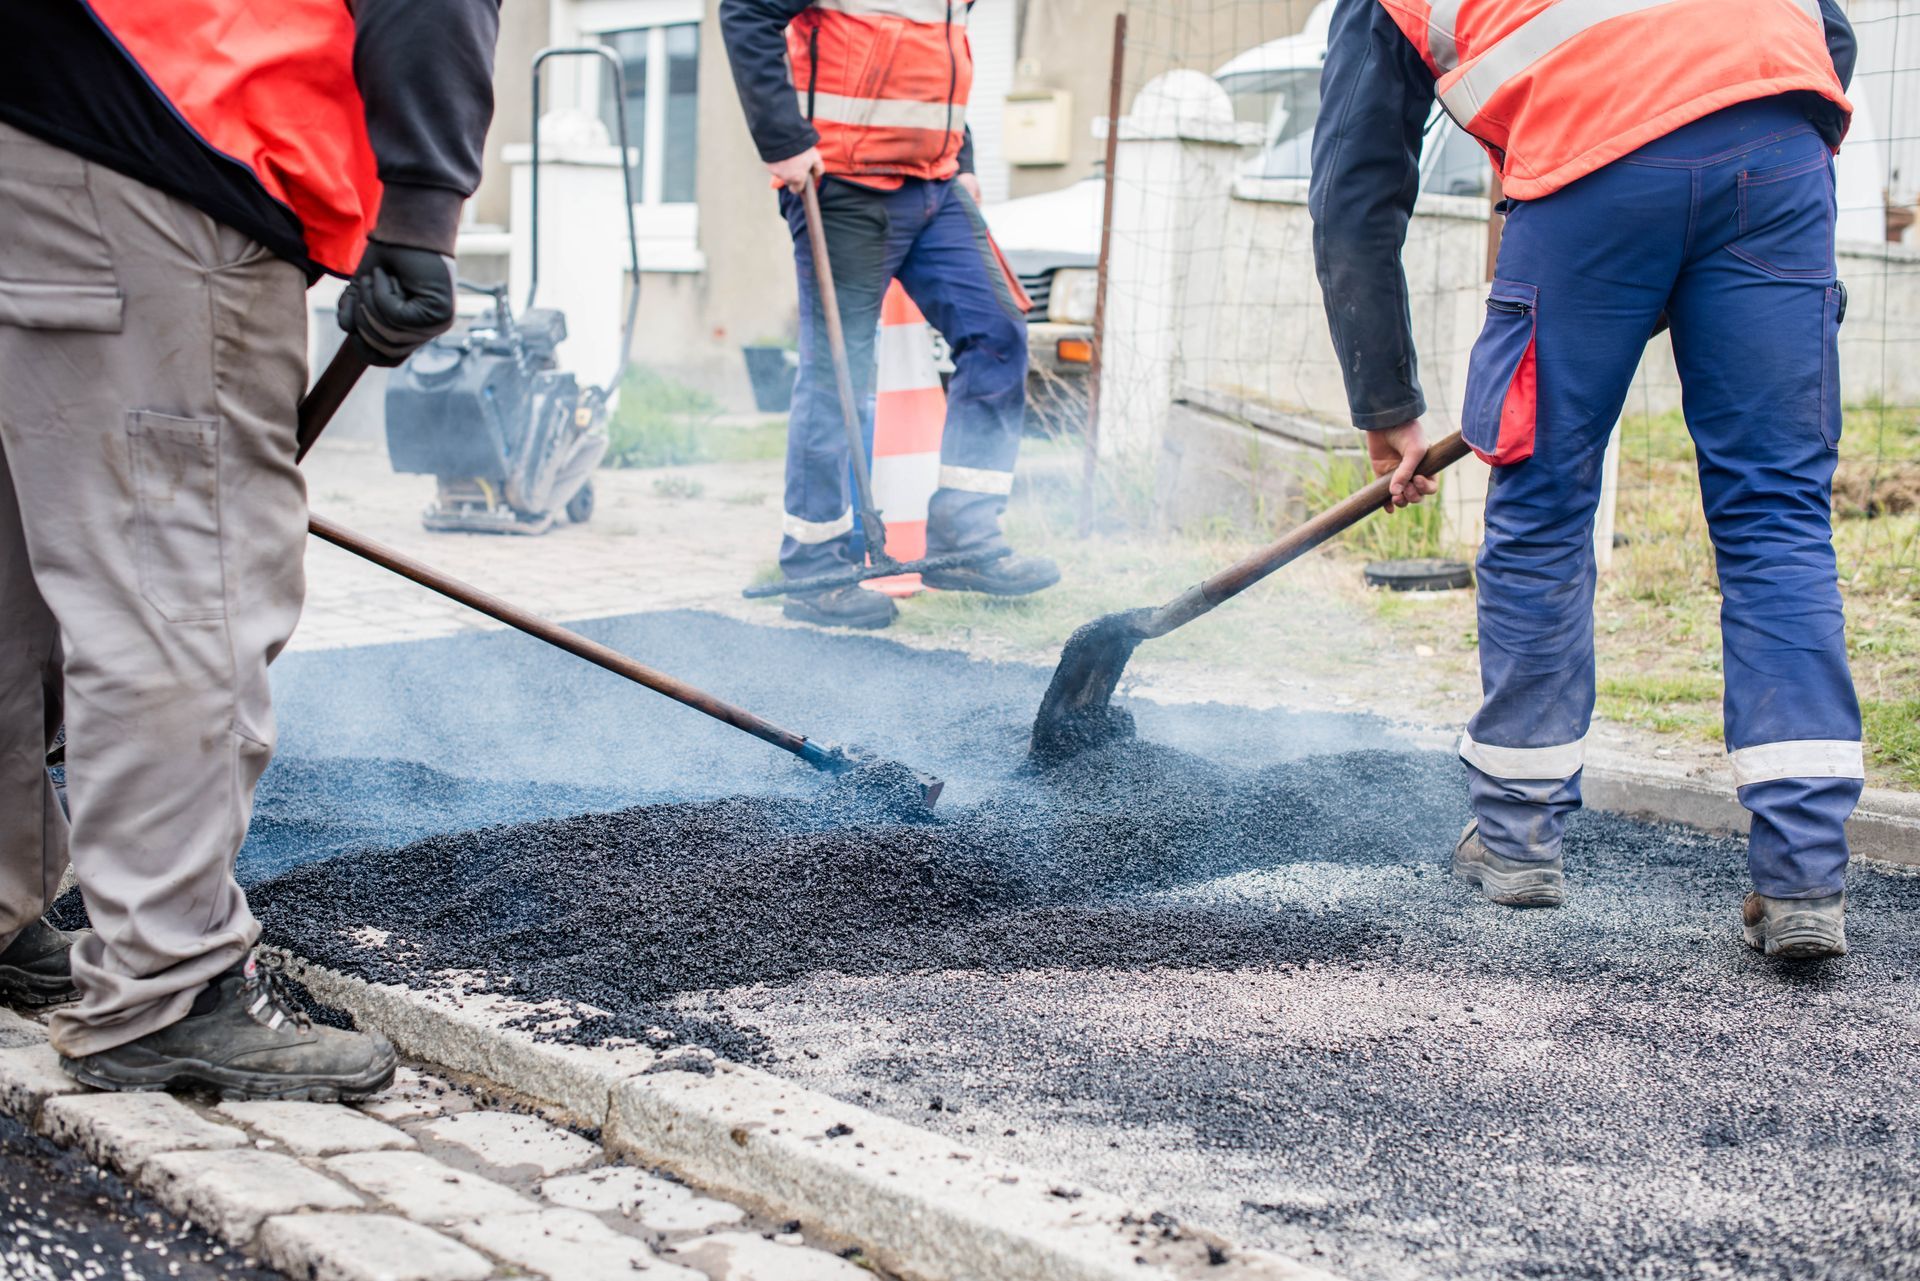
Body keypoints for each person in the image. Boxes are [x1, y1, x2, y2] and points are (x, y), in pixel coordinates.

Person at [0, 0, 499, 1096]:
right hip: (162, 137)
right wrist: (423, 206)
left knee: (21, 575)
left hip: (37, 119)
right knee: (182, 575)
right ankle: (165, 987)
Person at [1309, 0, 1862, 958]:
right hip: (1778, 156)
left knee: (1543, 500)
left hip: (1590, 176)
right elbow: (1830, 40)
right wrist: (1724, 215)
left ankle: (1518, 836)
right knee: (1777, 516)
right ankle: (1805, 874)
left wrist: (1386, 408)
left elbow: (1354, 191)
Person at [720, 0, 1061, 630]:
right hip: (845, 184)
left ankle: (964, 538)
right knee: (837, 374)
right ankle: (816, 570)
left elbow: (936, 72)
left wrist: (967, 160)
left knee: (999, 333)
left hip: (936, 183)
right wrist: (784, 141)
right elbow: (745, 11)